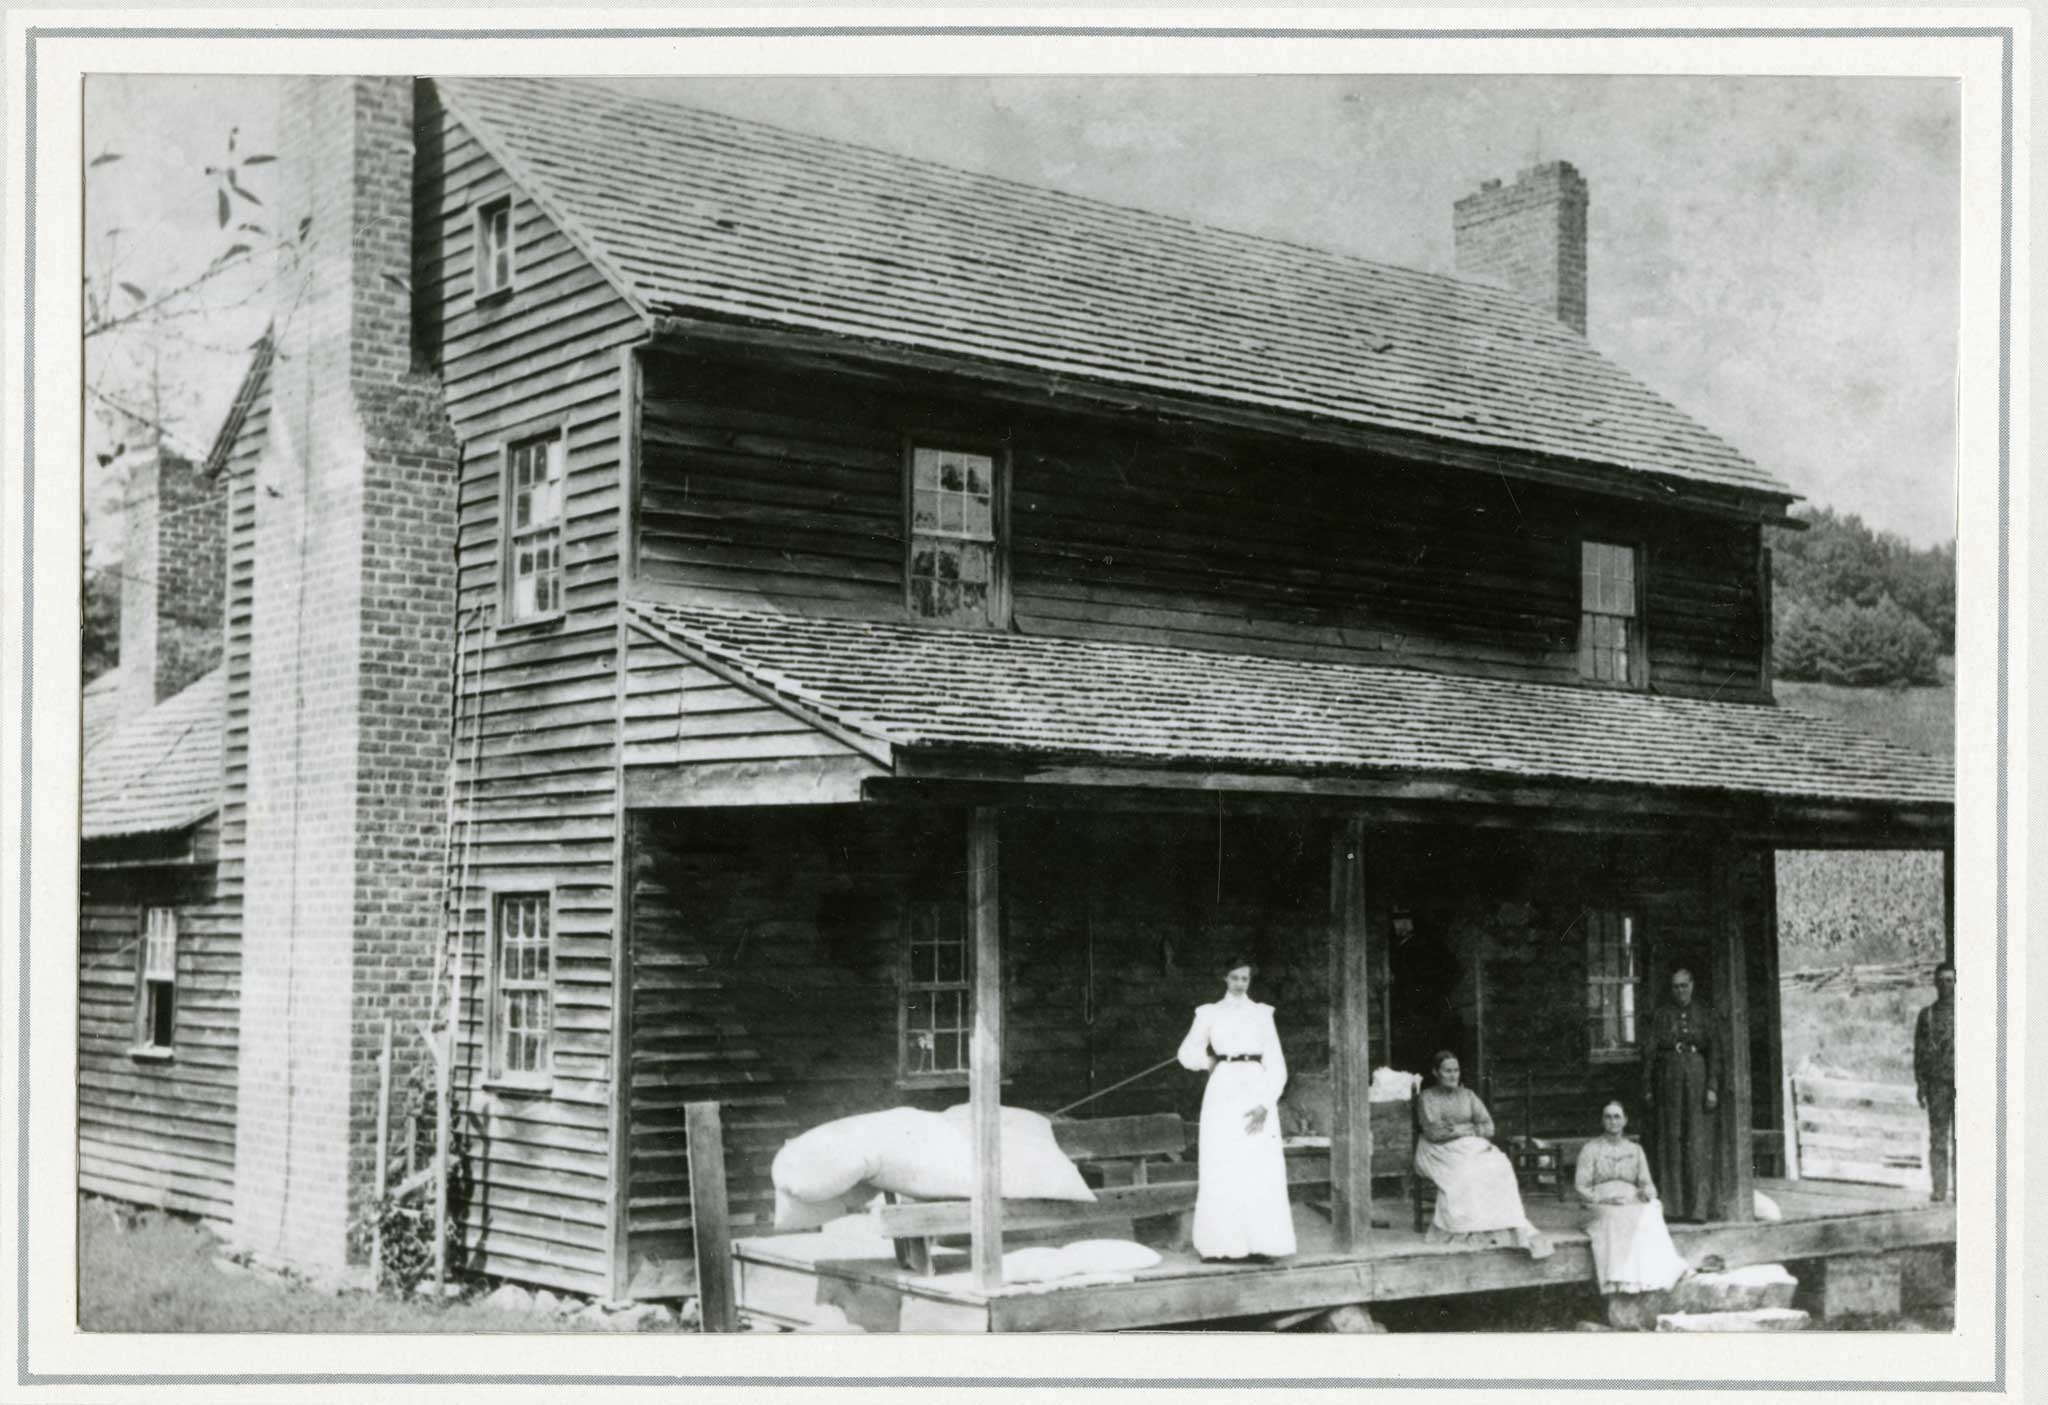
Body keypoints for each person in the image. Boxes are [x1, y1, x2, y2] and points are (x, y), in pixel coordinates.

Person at [1175, 956, 1295, 1260]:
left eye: (1245, 978)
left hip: (1256, 1085)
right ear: (1224, 979)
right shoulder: (1208, 1013)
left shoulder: (1262, 1014)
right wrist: (1208, 1061)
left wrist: (1266, 1103)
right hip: (1223, 1088)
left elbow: (1277, 1064)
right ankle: (1220, 1246)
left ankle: (1262, 1244)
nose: (1240, 983)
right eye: (1235, 978)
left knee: (1257, 1165)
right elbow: (1186, 1051)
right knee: (1222, 1162)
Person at [1412, 1051, 1552, 1258]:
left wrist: (1460, 1130)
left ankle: (1497, 1226)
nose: (1453, 1075)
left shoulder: (1468, 1095)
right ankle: (1469, 1226)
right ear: (1436, 1073)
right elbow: (1434, 1132)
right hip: (1437, 1150)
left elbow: (1488, 1127)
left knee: (1499, 1166)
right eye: (1447, 1071)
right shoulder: (1428, 1097)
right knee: (1468, 1173)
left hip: (1470, 1146)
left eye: (1456, 1070)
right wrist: (1467, 1128)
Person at [1575, 1100, 1691, 1295]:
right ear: (1602, 1121)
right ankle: (1621, 1279)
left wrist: (1648, 1192)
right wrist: (1606, 1200)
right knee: (1617, 1217)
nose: (1612, 1121)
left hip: (1630, 1199)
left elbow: (1646, 1182)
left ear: (1625, 1121)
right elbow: (1581, 1187)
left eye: (1617, 1116)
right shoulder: (1591, 1149)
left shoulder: (1635, 1150)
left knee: (1652, 1209)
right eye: (1608, 1117)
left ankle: (1655, 1273)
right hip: (1601, 1202)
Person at [1642, 966, 1721, 1222]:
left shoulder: (1704, 1014)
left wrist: (1712, 1087)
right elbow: (1651, 1053)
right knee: (1671, 1140)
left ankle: (1699, 1209)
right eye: (1675, 987)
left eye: (1684, 985)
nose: (1680, 991)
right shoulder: (1662, 1015)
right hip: (1669, 1079)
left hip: (1697, 1077)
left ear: (1692, 985)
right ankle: (1672, 1208)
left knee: (1697, 1143)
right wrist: (1647, 1086)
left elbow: (1716, 1053)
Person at [1914, 961, 1956, 1202]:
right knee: (1938, 1138)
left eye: (1950, 980)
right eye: (1941, 980)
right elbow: (1919, 1052)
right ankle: (1939, 1189)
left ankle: (1963, 1189)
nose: (1945, 985)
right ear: (1934, 983)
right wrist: (1920, 1084)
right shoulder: (1926, 1015)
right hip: (1937, 1085)